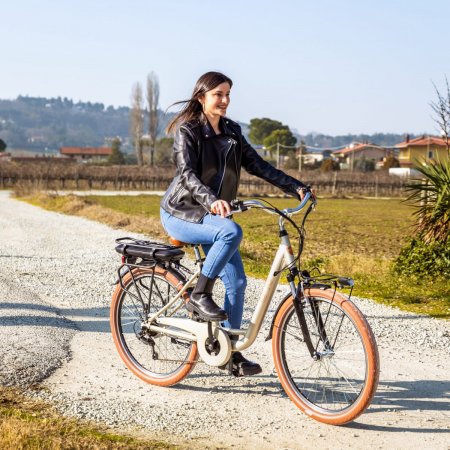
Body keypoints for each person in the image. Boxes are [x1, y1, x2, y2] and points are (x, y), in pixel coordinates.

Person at [160, 71, 307, 376]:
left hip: (211, 216)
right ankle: (201, 293)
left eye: (228, 94)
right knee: (231, 231)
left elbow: (258, 165)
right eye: (219, 95)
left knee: (238, 283)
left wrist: (295, 186)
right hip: (182, 212)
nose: (225, 101)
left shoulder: (232, 132)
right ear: (202, 97)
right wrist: (212, 199)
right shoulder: (188, 131)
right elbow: (187, 175)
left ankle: (229, 353)